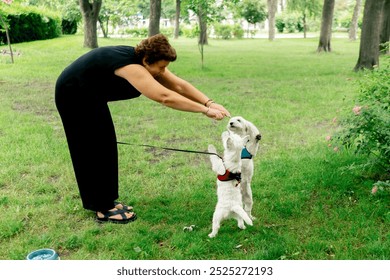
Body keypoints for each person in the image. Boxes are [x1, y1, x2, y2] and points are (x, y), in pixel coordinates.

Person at [55, 34, 230, 224]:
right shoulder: (132, 67)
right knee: (91, 149)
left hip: (91, 96)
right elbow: (164, 96)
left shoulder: (145, 59)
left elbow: (178, 85)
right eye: (161, 67)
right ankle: (102, 208)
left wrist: (209, 102)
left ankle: (107, 201)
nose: (163, 71)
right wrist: (204, 111)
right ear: (147, 60)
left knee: (105, 144)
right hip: (73, 95)